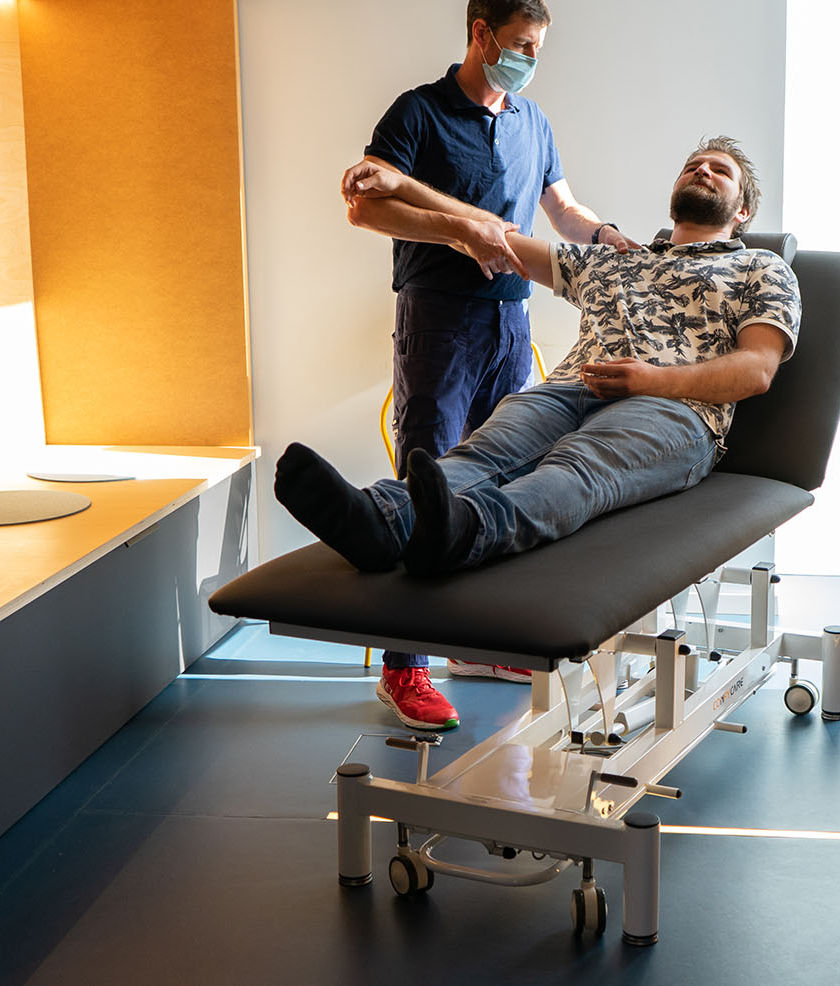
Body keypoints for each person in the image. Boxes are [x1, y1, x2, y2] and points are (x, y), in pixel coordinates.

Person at [281, 137, 800, 730]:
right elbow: (488, 235)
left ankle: (467, 532)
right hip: (572, 390)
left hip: (675, 409)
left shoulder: (761, 267)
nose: (703, 170)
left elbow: (756, 371)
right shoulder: (617, 259)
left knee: (575, 471)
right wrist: (402, 186)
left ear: (743, 210)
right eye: (693, 164)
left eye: (721, 170)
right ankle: (381, 520)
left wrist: (654, 380)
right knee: (486, 450)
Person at [343, 0, 634, 690]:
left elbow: (560, 211)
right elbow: (365, 204)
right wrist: (461, 229)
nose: (530, 59)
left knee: (507, 474)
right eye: (522, 46)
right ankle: (405, 667)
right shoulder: (418, 113)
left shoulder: (533, 120)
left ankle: (476, 640)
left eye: (537, 48)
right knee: (430, 478)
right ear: (481, 34)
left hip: (512, 319)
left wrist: (605, 237)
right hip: (439, 323)